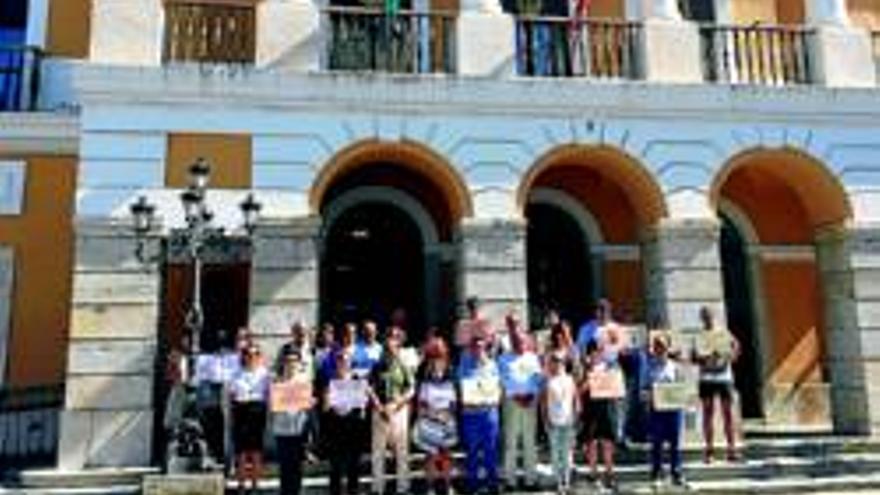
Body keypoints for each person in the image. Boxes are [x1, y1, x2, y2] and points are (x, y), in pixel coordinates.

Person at [368, 331, 415, 495]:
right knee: (378, 451)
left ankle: (403, 487)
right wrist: (379, 407)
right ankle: (377, 488)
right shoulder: (376, 366)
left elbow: (411, 389)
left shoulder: (403, 365)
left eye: (393, 348)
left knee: (401, 451)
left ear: (397, 349)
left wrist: (397, 405)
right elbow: (369, 388)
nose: (390, 351)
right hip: (380, 411)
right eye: (387, 348)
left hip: (399, 411)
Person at [693, 306, 740, 463]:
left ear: (714, 316)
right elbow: (693, 357)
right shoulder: (699, 336)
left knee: (728, 414)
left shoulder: (723, 333)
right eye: (704, 316)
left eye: (709, 315)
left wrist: (729, 357)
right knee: (708, 414)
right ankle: (709, 450)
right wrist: (702, 358)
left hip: (724, 377)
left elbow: (736, 347)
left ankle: (731, 448)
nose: (707, 318)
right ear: (701, 318)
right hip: (706, 378)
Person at [457, 335, 502, 495]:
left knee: (491, 450)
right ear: (471, 349)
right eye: (475, 347)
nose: (478, 349)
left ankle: (492, 483)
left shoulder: (493, 365)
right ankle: (472, 482)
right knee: (472, 450)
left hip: (489, 414)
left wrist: (493, 398)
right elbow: (462, 387)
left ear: (485, 348)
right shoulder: (464, 365)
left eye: (481, 346)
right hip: (471, 415)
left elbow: (498, 388)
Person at [497, 329, 543, 490]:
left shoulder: (533, 358)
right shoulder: (503, 359)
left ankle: (531, 479)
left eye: (523, 341)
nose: (521, 344)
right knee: (510, 442)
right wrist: (517, 397)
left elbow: (538, 379)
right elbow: (503, 380)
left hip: (530, 403)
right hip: (511, 402)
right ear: (512, 342)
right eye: (517, 341)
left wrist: (531, 395)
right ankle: (510, 480)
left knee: (529, 441)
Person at [414, 337, 458, 495]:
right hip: (429, 420)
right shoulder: (423, 370)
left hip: (447, 420)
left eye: (440, 349)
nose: (438, 352)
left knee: (446, 454)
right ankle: (430, 487)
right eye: (435, 349)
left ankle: (448, 485)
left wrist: (447, 414)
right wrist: (429, 414)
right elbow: (419, 398)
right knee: (431, 454)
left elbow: (454, 398)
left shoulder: (450, 370)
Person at [643, 332, 687, 488]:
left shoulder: (675, 367)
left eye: (662, 346)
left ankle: (676, 473)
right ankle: (656, 473)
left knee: (675, 443)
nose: (660, 349)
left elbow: (683, 388)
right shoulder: (649, 367)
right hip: (656, 410)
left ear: (668, 348)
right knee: (657, 443)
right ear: (654, 349)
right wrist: (648, 395)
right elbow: (643, 390)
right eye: (657, 346)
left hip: (674, 410)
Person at [578, 340, 621, 491]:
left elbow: (618, 389)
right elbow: (579, 390)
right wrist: (589, 378)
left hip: (607, 408)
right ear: (590, 352)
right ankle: (593, 473)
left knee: (607, 442)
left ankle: (609, 473)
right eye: (595, 350)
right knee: (592, 442)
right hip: (591, 409)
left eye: (600, 350)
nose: (598, 353)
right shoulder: (585, 368)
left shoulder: (610, 367)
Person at [324, 349, 369, 495]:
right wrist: (327, 399)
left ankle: (353, 490)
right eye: (340, 359)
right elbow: (324, 408)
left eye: (345, 359)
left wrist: (361, 404)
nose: (343, 362)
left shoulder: (357, 380)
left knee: (353, 464)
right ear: (336, 362)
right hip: (335, 425)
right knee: (335, 464)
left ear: (350, 362)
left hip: (353, 426)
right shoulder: (329, 380)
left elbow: (363, 406)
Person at [272, 346, 316, 495]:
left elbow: (308, 406)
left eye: (294, 360)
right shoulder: (276, 380)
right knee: (285, 467)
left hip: (299, 429)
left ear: (299, 362)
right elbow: (272, 405)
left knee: (297, 468)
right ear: (283, 362)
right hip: (282, 429)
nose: (291, 363)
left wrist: (310, 402)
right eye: (288, 360)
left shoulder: (305, 380)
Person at [230, 343, 271, 493]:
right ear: (244, 356)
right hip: (241, 410)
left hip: (258, 411)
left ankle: (255, 485)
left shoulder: (265, 374)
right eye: (248, 354)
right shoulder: (236, 373)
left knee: (256, 450)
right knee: (241, 451)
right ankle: (241, 485)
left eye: (255, 354)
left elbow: (269, 394)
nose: (251, 357)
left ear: (259, 357)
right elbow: (232, 394)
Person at [542, 353, 579, 495]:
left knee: (568, 452)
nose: (557, 364)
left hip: (568, 420)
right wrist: (546, 420)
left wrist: (576, 417)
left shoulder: (570, 379)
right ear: (551, 363)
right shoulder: (548, 380)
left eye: (559, 361)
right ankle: (558, 482)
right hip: (554, 420)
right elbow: (544, 403)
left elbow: (576, 399)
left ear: (563, 363)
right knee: (556, 452)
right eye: (554, 361)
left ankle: (567, 481)